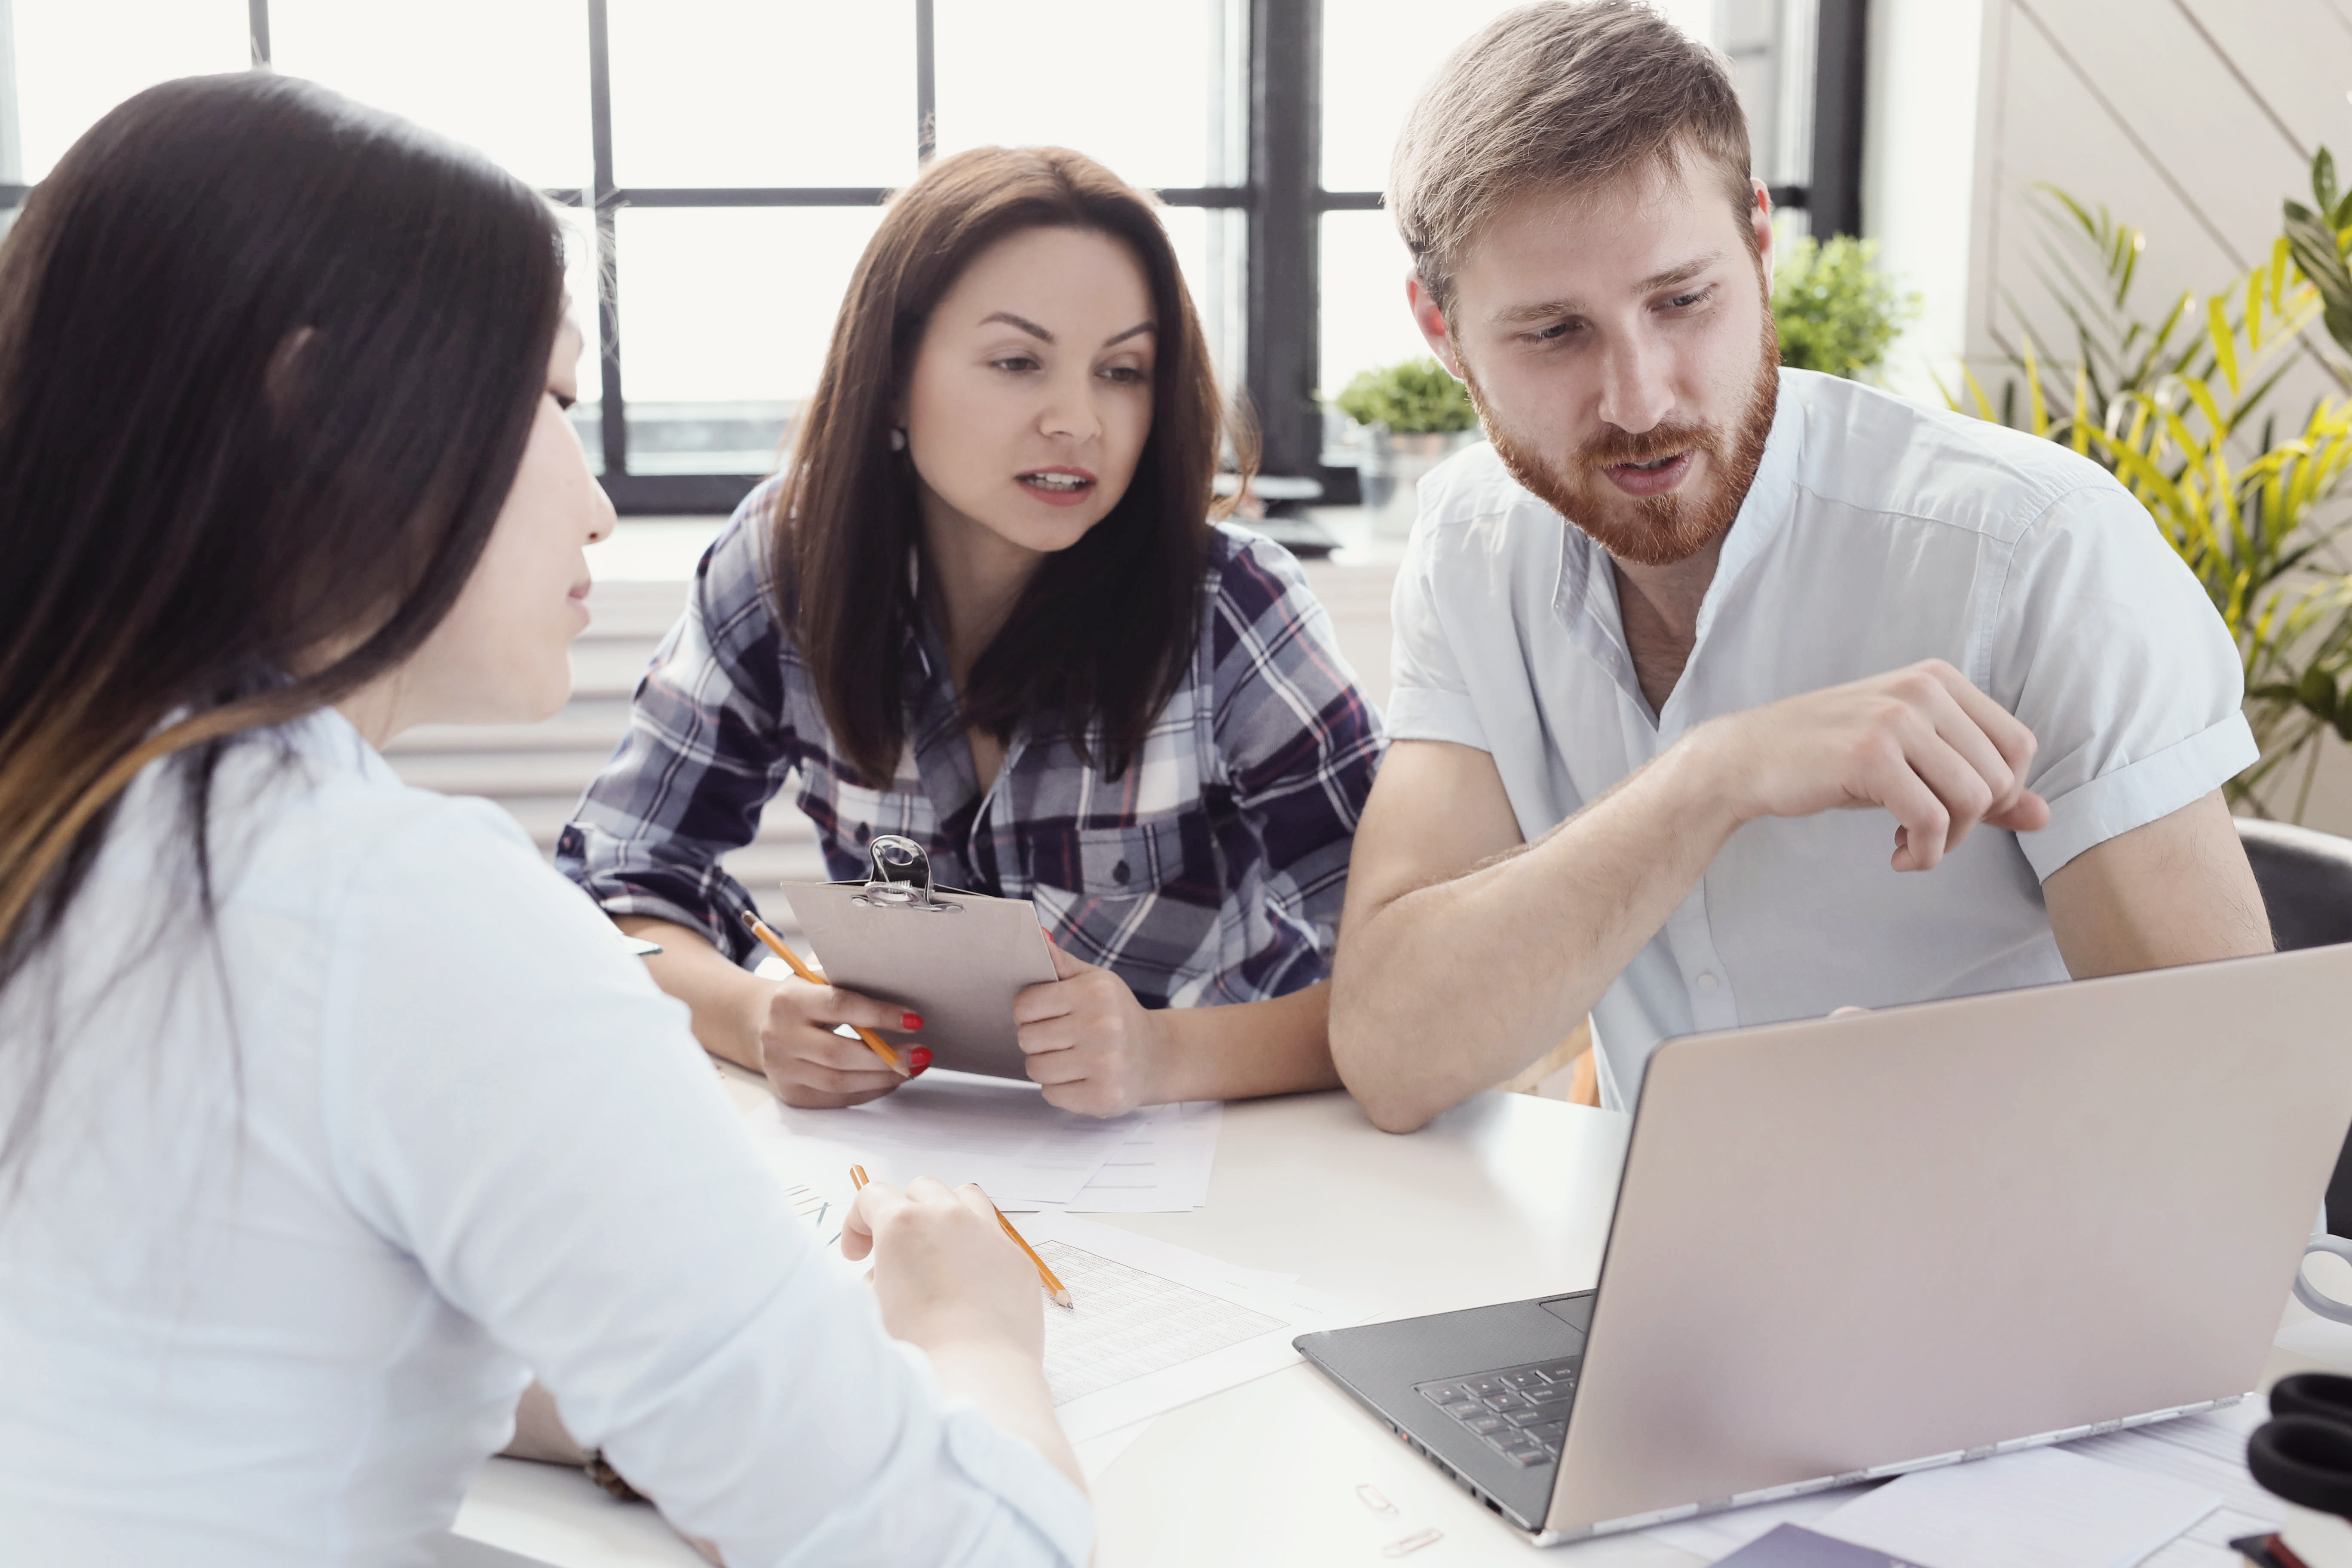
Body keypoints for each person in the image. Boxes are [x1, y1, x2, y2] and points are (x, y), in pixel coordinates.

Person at [0, 74, 1089, 1565]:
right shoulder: (388, 905)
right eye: (553, 403)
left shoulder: (75, 812)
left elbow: (221, 1328)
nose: (594, 507)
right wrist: (980, 1337)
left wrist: (658, 1374)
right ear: (320, 413)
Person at [1328, 0, 2272, 1133]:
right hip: (1665, 1272)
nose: (1642, 398)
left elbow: (2231, 1117)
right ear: (1442, 332)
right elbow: (1396, 1054)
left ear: (1760, 248)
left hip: (2028, 1273)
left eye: (1683, 301)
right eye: (1554, 334)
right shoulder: (1471, 542)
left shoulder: (2036, 552)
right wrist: (1710, 777)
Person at [559, 147, 1384, 1118]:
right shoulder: (785, 557)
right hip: (924, 1163)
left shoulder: (1233, 607)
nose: (1079, 420)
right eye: (1016, 362)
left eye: (1123, 371)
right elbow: (612, 889)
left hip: (1228, 1167)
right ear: (895, 373)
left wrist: (1167, 1054)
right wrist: (753, 1015)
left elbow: (1414, 983)